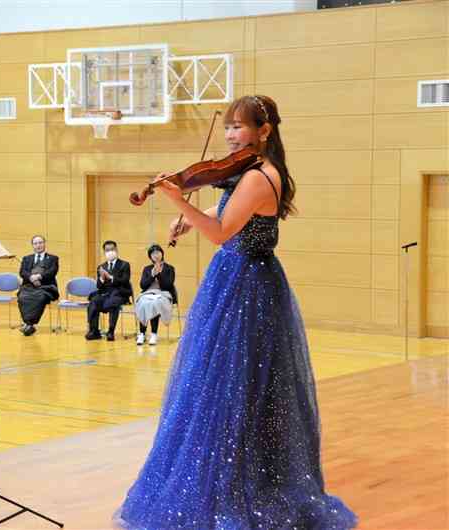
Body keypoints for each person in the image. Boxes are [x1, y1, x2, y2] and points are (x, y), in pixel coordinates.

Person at [115, 95, 357, 529]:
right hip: (239, 280)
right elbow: (227, 212)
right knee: (227, 388)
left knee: (231, 390)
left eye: (239, 128)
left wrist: (178, 201)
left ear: (263, 131)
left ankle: (239, 491)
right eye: (227, 127)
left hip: (246, 287)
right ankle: (240, 481)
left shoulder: (261, 177)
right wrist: (193, 215)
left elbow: (223, 232)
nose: (229, 136)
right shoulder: (251, 172)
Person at [86, 240, 132, 341]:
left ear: (116, 250)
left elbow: (125, 280)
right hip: (105, 293)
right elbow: (98, 286)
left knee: (113, 303)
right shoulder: (101, 267)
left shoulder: (125, 265)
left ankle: (110, 331)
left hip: (120, 292)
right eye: (107, 250)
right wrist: (102, 278)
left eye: (112, 249)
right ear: (104, 252)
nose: (110, 252)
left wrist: (110, 277)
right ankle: (94, 331)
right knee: (93, 302)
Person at [134, 244, 177, 346]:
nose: (156, 255)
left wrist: (158, 274)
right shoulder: (147, 269)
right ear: (150, 257)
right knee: (143, 302)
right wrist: (152, 275)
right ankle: (142, 333)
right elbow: (143, 285)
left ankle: (154, 334)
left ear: (162, 253)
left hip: (164, 293)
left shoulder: (169, 268)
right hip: (148, 293)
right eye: (153, 253)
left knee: (155, 303)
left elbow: (167, 285)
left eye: (158, 252)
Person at [17, 235, 59, 336]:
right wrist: (31, 278)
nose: (38, 245)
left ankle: (29, 324)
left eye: (40, 243)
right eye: (35, 243)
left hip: (46, 287)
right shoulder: (27, 258)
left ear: (44, 244)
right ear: (32, 246)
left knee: (40, 297)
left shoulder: (53, 258)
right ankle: (28, 324)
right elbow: (22, 272)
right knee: (22, 297)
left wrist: (39, 276)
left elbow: (52, 271)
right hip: (29, 286)